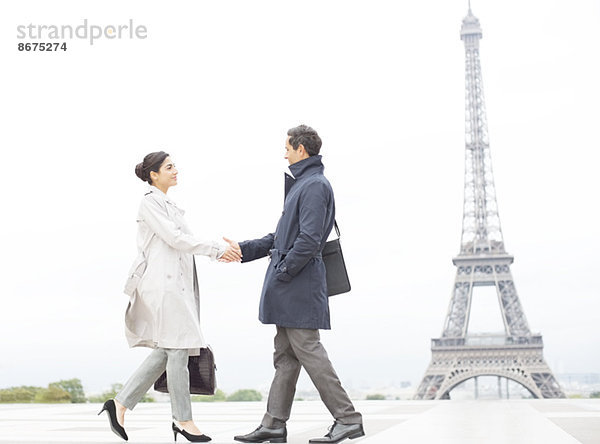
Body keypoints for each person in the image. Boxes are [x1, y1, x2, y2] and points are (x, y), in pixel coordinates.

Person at [223, 125, 364, 444]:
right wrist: (244, 250)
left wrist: (284, 270)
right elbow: (280, 237)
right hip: (293, 283)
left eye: (287, 147)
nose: (283, 152)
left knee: (309, 350)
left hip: (297, 284)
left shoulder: (313, 185)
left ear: (301, 149)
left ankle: (348, 418)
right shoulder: (304, 184)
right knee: (285, 355)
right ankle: (273, 423)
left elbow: (310, 238)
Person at [98, 151, 241, 442]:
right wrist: (216, 249)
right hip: (162, 286)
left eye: (174, 166)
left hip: (175, 286)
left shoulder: (169, 205)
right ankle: (183, 420)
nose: (175, 170)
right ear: (153, 174)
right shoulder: (150, 202)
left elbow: (181, 242)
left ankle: (120, 403)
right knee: (178, 347)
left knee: (172, 349)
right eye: (169, 167)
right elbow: (176, 239)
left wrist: (216, 252)